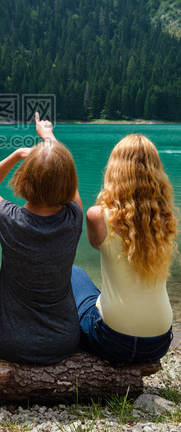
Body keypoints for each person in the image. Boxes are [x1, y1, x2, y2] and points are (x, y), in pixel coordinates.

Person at [0, 113, 83, 365]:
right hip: (64, 340)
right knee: (78, 274)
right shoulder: (74, 217)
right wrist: (47, 136)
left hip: (5, 341)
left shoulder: (8, 218)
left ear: (24, 178)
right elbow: (67, 184)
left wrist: (17, 155)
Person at [71, 133, 178, 363]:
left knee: (74, 273)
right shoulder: (166, 220)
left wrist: (50, 141)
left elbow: (76, 214)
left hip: (112, 341)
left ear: (115, 170)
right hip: (159, 343)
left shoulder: (98, 216)